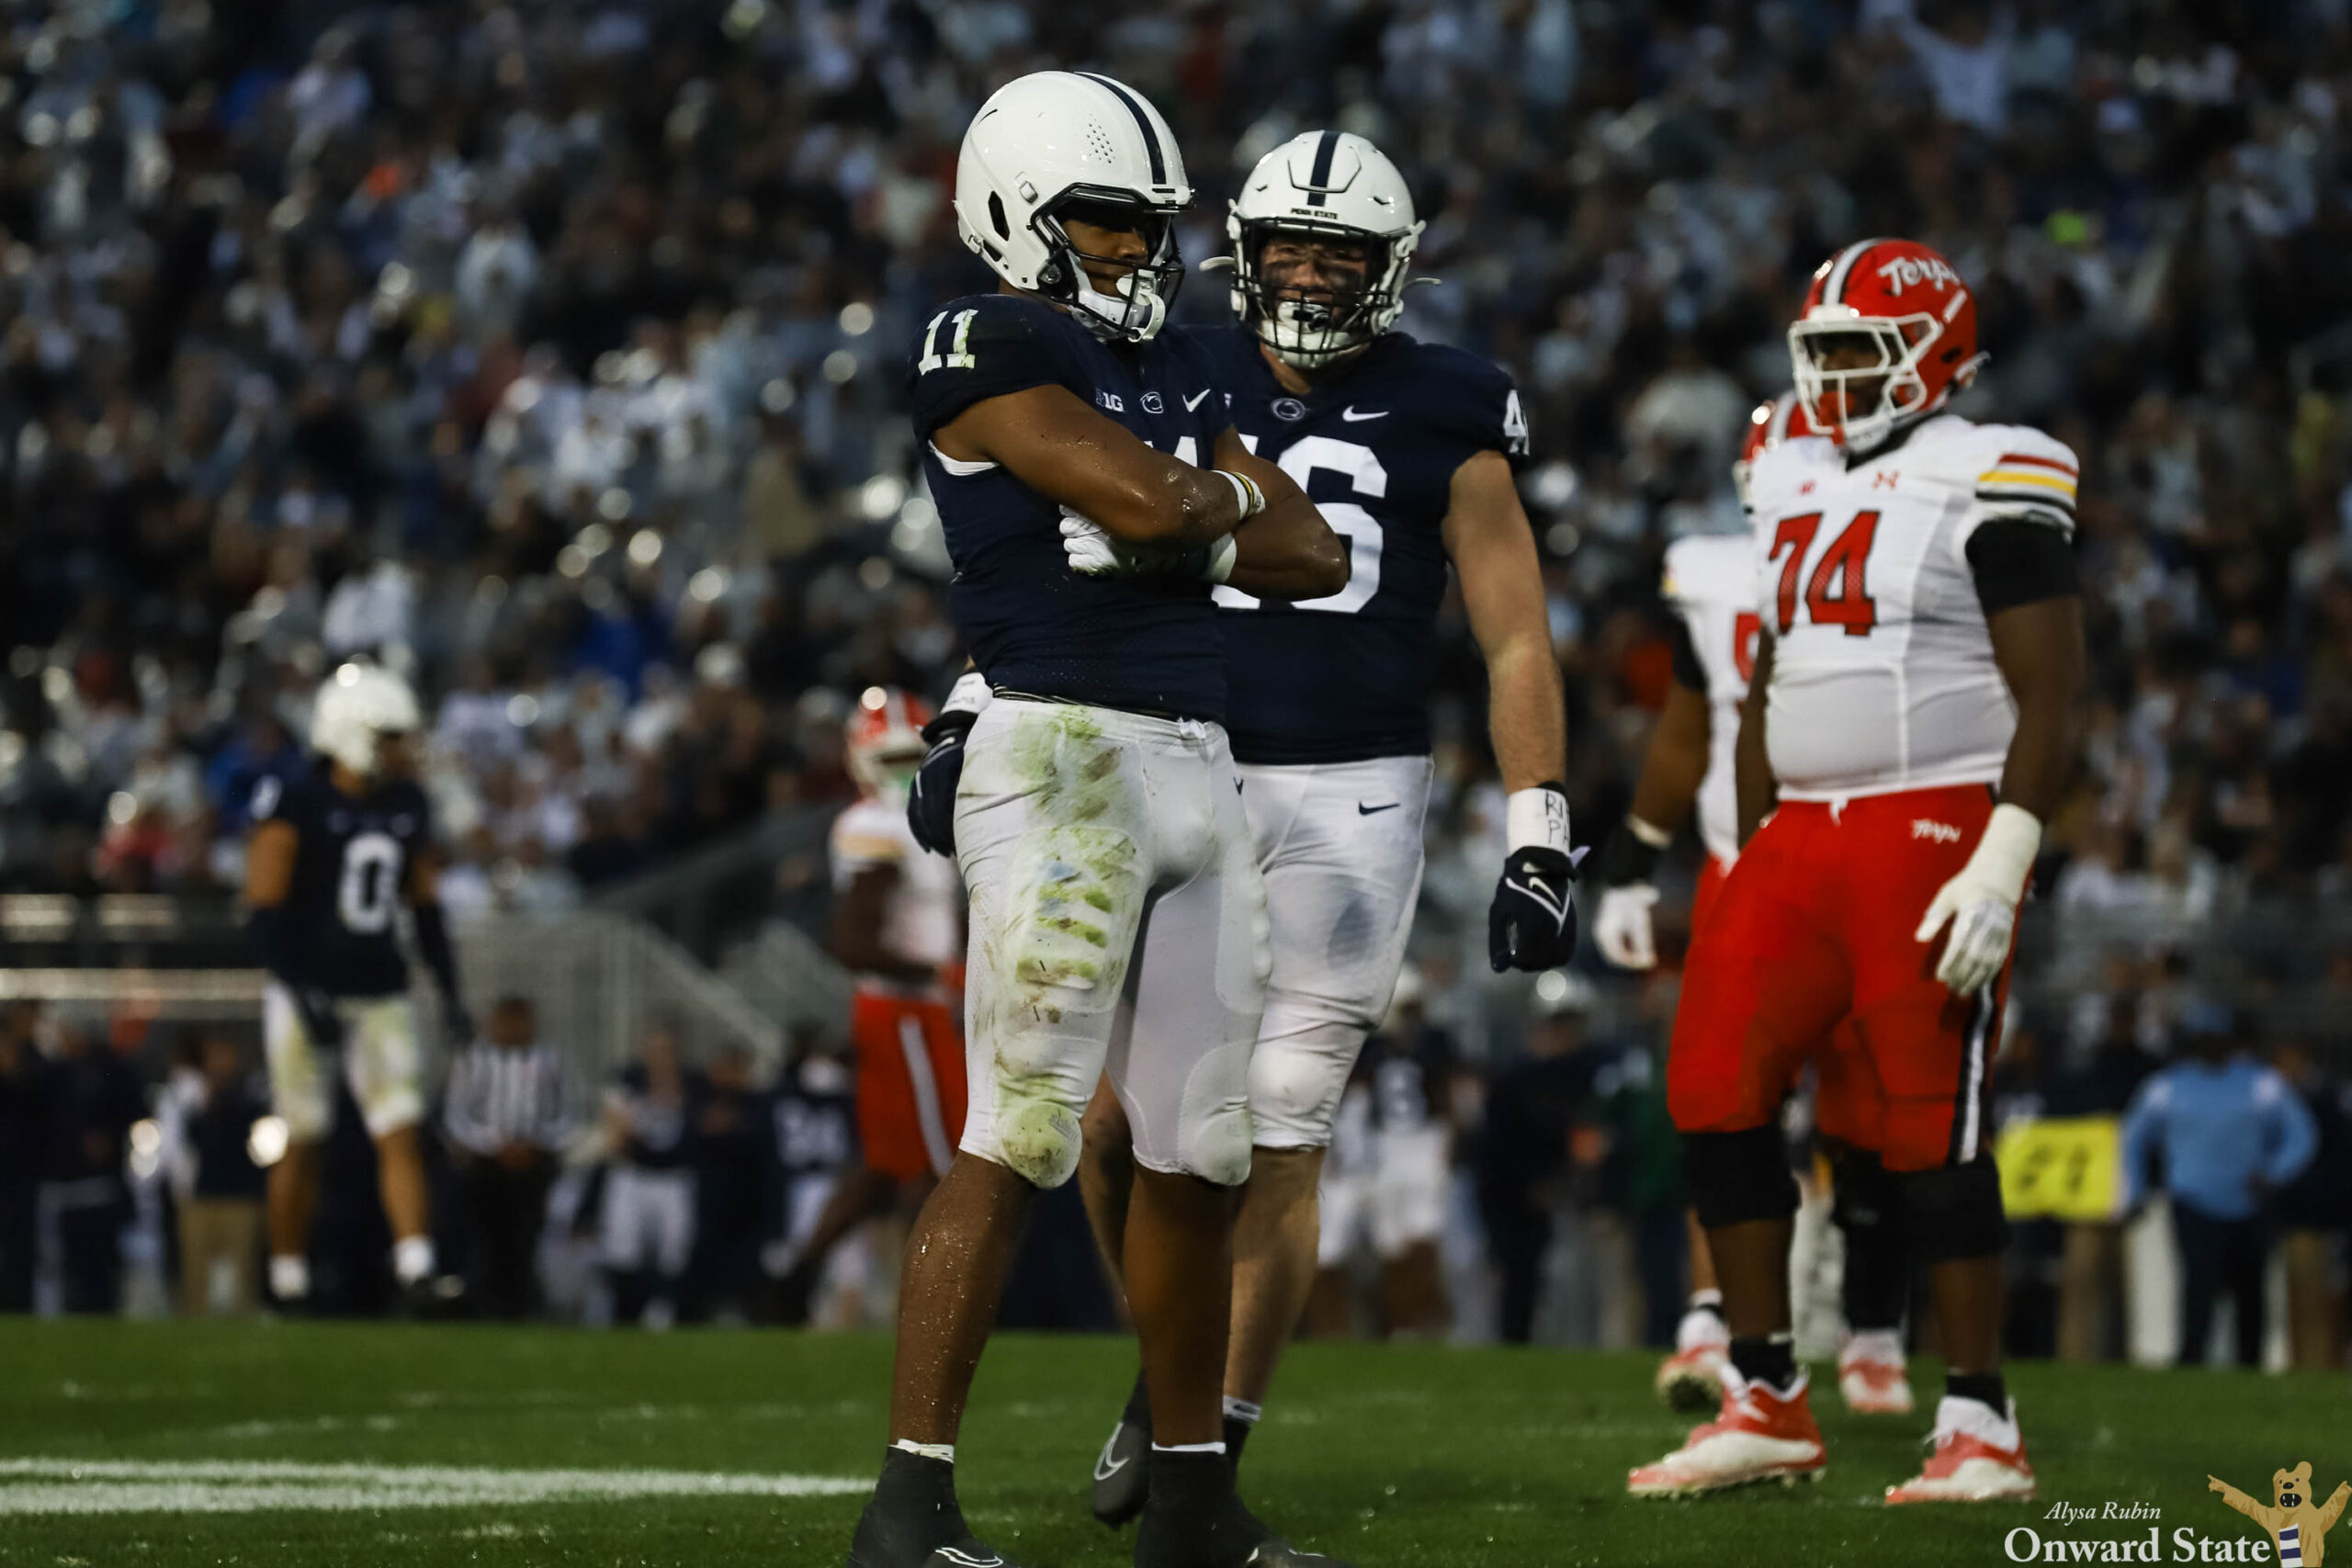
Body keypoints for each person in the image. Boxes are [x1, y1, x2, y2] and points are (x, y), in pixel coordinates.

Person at [847, 70, 1347, 1568]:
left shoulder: (1179, 358)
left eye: (1149, 224)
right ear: (1017, 213)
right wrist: (1191, 507)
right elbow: (1149, 503)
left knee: (1203, 1149)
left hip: (1197, 756)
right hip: (1060, 751)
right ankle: (910, 1505)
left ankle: (1190, 1500)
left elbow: (1314, 552)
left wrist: (1190, 511)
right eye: (1105, 220)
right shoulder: (986, 339)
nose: (1137, 249)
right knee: (1021, 1129)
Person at [1060, 127, 1575, 1526]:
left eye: (1334, 253)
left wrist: (1539, 832)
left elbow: (1515, 636)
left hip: (1356, 794)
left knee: (1280, 1136)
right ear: (1243, 248)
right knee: (1110, 1126)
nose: (1304, 272)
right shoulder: (1168, 365)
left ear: (1387, 268)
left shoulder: (1453, 403)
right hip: (1181, 765)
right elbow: (1066, 570)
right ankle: (1169, 1361)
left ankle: (1205, 1450)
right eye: (1285, 245)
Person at [1632, 237, 2086, 1504]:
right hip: (1801, 829)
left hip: (1930, 817)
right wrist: (1752, 834)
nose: (1834, 376)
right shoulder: (1783, 466)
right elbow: (1772, 676)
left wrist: (2004, 854)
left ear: (1937, 355)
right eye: (1821, 350)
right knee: (1712, 1082)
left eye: (1860, 351)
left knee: (1928, 1119)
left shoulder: (1989, 465)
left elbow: (2056, 688)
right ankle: (1767, 1393)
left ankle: (1980, 1416)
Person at [1592, 392, 1916, 1418]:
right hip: (1742, 865)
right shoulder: (1716, 574)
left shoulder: (1899, 560)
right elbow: (1690, 729)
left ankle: (1873, 1326)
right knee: (1721, 1098)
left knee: (1871, 1116)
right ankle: (1713, 1317)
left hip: (1862, 862)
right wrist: (1635, 858)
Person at [243, 661, 470, 1312]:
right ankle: (287, 1276)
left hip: (379, 986)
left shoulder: (407, 803)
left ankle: (416, 1267)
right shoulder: (296, 800)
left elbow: (424, 907)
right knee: (303, 1136)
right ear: (355, 734)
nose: (405, 750)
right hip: (307, 984)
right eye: (393, 736)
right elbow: (263, 909)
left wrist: (449, 990)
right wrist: (301, 991)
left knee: (400, 1128)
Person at [768, 688, 966, 1322]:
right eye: (891, 759)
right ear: (861, 760)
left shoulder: (916, 818)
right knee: (950, 1164)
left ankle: (792, 1280)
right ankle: (932, 1306)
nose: (903, 772)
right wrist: (940, 973)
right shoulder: (877, 825)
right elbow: (852, 942)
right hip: (905, 1013)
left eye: (912, 757)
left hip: (907, 1012)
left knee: (886, 1168)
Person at [2120, 1003, 2317, 1368]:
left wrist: (2274, 1173)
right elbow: (2134, 1136)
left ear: (2231, 1042)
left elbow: (2301, 1134)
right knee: (2198, 1285)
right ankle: (2192, 1362)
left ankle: (2250, 1366)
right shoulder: (2170, 1085)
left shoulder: (2260, 1083)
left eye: (2218, 1040)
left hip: (2250, 1201)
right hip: (2192, 1200)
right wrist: (2134, 1191)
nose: (2212, 1047)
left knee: (2250, 1290)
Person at [1476, 970, 1601, 1344]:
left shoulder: (1592, 1073)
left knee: (1581, 1296)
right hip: (1521, 1203)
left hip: (1579, 1199)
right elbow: (1496, 1151)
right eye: (1558, 1021)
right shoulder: (1514, 1080)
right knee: (1521, 1287)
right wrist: (1530, 1187)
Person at [441, 996, 574, 1319]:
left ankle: (522, 1303)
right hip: (486, 1164)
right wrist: (495, 1144)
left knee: (525, 1236)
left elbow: (569, 1113)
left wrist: (537, 1143)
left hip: (534, 1163)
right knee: (484, 1236)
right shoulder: (473, 1060)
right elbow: (457, 1115)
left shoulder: (551, 1061)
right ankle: (481, 1302)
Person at [34, 1020, 146, 1314]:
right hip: (64, 1189)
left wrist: (110, 1135)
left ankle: (105, 1313)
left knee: (101, 1269)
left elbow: (135, 1109)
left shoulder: (111, 1068)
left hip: (102, 1188)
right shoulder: (52, 1073)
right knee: (68, 1270)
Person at [599, 1024, 699, 1329]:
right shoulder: (628, 1080)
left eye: (665, 1050)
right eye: (653, 1049)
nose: (659, 1056)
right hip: (635, 1173)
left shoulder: (691, 1082)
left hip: (675, 1176)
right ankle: (624, 1311)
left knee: (675, 1246)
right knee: (622, 1245)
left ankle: (663, 1309)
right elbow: (615, 1135)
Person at [177, 1035, 269, 1316]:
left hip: (240, 1195)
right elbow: (189, 1138)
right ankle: (196, 1322)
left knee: (243, 1269)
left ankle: (243, 1318)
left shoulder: (251, 1093)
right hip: (201, 1194)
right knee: (196, 1271)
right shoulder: (194, 1093)